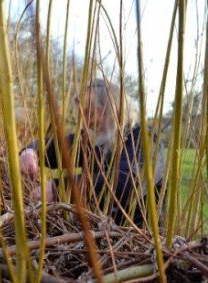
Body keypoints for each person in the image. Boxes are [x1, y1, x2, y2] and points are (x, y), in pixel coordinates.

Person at [19, 78, 165, 226]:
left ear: (114, 110)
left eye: (90, 112)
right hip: (99, 233)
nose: (86, 121)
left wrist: (60, 187)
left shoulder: (146, 140)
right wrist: (30, 152)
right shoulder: (94, 138)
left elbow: (130, 183)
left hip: (137, 238)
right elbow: (53, 148)